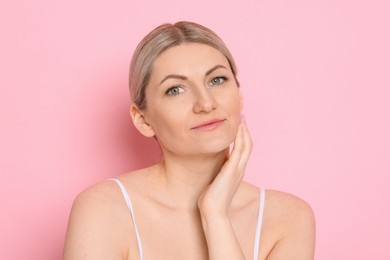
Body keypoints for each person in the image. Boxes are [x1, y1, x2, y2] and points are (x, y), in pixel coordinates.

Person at [63, 21, 315, 260]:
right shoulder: (104, 209)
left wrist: (215, 215)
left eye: (217, 80)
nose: (206, 103)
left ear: (239, 95)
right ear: (143, 120)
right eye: (175, 89)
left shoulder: (288, 218)